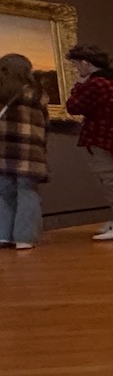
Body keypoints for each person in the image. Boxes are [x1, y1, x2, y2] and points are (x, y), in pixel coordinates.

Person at [64, 44, 113, 241]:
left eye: (76, 66)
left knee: (112, 183)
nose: (77, 70)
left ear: (85, 63)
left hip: (102, 139)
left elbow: (73, 106)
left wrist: (78, 85)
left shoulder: (95, 84)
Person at [0, 53, 49, 250]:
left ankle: (3, 235)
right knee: (28, 194)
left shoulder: (2, 94)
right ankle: (25, 238)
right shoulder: (38, 95)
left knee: (3, 194)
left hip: (3, 153)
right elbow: (46, 125)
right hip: (31, 155)